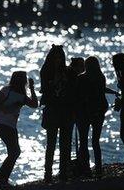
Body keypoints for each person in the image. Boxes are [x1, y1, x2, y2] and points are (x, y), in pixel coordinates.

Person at [0, 71, 38, 188]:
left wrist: (32, 88)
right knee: (14, 152)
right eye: (25, 79)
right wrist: (7, 110)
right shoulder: (6, 90)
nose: (26, 82)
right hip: (2, 124)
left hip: (10, 126)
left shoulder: (22, 96)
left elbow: (34, 104)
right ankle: (2, 179)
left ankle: (2, 179)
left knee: (14, 152)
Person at [75, 56, 119, 177]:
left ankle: (86, 168)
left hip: (84, 113)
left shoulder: (81, 78)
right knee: (95, 141)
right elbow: (102, 90)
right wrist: (114, 92)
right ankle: (99, 168)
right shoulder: (100, 77)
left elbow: (77, 94)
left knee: (83, 142)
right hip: (98, 112)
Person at [39, 45, 74, 182]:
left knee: (65, 144)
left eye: (60, 58)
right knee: (51, 144)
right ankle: (48, 174)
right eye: (55, 57)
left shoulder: (69, 72)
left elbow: (73, 91)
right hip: (53, 110)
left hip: (65, 111)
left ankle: (63, 173)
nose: (58, 60)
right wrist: (53, 83)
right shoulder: (46, 72)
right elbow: (45, 90)